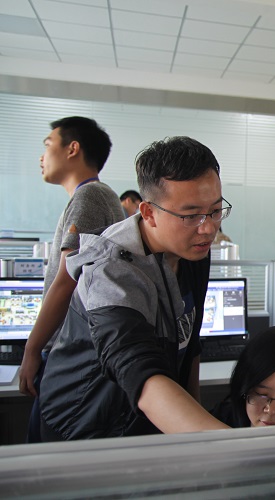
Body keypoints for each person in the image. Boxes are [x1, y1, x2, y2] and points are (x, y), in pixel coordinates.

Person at [39, 136, 233, 440]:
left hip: (143, 424)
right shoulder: (112, 269)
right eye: (190, 215)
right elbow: (139, 370)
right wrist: (226, 445)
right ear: (148, 213)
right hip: (83, 427)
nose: (208, 228)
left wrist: (194, 420)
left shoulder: (192, 248)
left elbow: (190, 339)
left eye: (216, 210)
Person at [19, 116, 125, 443]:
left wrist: (32, 350)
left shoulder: (89, 197)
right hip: (82, 357)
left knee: (45, 454)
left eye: (48, 144)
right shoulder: (101, 195)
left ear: (72, 149)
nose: (42, 156)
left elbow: (66, 282)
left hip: (70, 359)